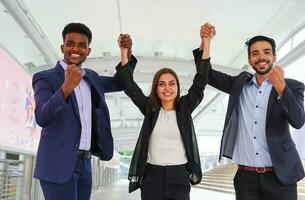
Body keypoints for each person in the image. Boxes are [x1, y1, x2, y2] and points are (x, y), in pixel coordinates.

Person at [194, 22, 305, 200]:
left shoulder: (293, 87)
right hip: (246, 179)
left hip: (280, 177)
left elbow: (298, 121)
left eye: (266, 52)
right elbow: (206, 74)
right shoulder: (239, 84)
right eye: (255, 53)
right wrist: (206, 43)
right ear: (249, 60)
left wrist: (281, 87)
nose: (261, 57)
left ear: (274, 56)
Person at [32, 23, 136, 200]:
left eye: (82, 45)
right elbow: (42, 117)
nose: (75, 49)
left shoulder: (91, 78)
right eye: (70, 43)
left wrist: (126, 53)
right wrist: (66, 88)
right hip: (58, 164)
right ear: (62, 47)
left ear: (88, 51)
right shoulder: (45, 77)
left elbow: (120, 83)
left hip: (85, 164)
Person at [116, 34, 210, 200]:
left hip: (179, 177)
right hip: (152, 177)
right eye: (162, 84)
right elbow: (129, 85)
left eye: (172, 83)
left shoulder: (185, 108)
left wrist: (206, 43)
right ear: (156, 89)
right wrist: (124, 52)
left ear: (177, 87)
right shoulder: (150, 109)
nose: (167, 88)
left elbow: (201, 81)